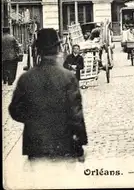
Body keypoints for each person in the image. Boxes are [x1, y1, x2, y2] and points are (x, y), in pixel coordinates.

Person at [9, 28, 88, 162]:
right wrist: (80, 143)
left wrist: (34, 120)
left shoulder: (26, 78)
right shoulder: (68, 77)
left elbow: (15, 110)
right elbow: (76, 114)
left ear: (38, 50)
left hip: (35, 144)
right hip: (63, 144)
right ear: (58, 49)